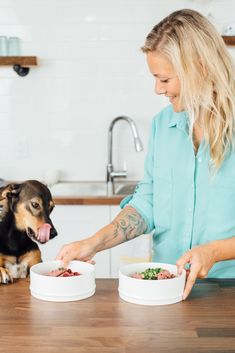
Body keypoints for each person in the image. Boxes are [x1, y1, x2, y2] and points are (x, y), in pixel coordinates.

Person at [56, 9, 235, 299]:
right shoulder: (164, 125)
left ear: (200, 67)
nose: (157, 89)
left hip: (227, 289)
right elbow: (149, 201)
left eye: (165, 79)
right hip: (164, 285)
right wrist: (94, 242)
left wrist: (215, 251)